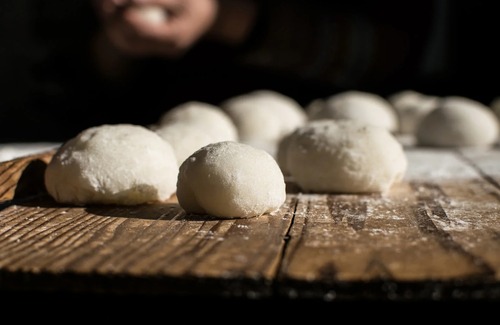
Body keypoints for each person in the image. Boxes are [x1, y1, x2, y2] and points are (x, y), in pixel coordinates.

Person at [0, 0, 499, 142]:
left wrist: (225, 17)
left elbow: (397, 51)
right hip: (166, 130)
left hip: (347, 109)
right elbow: (62, 92)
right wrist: (116, 39)